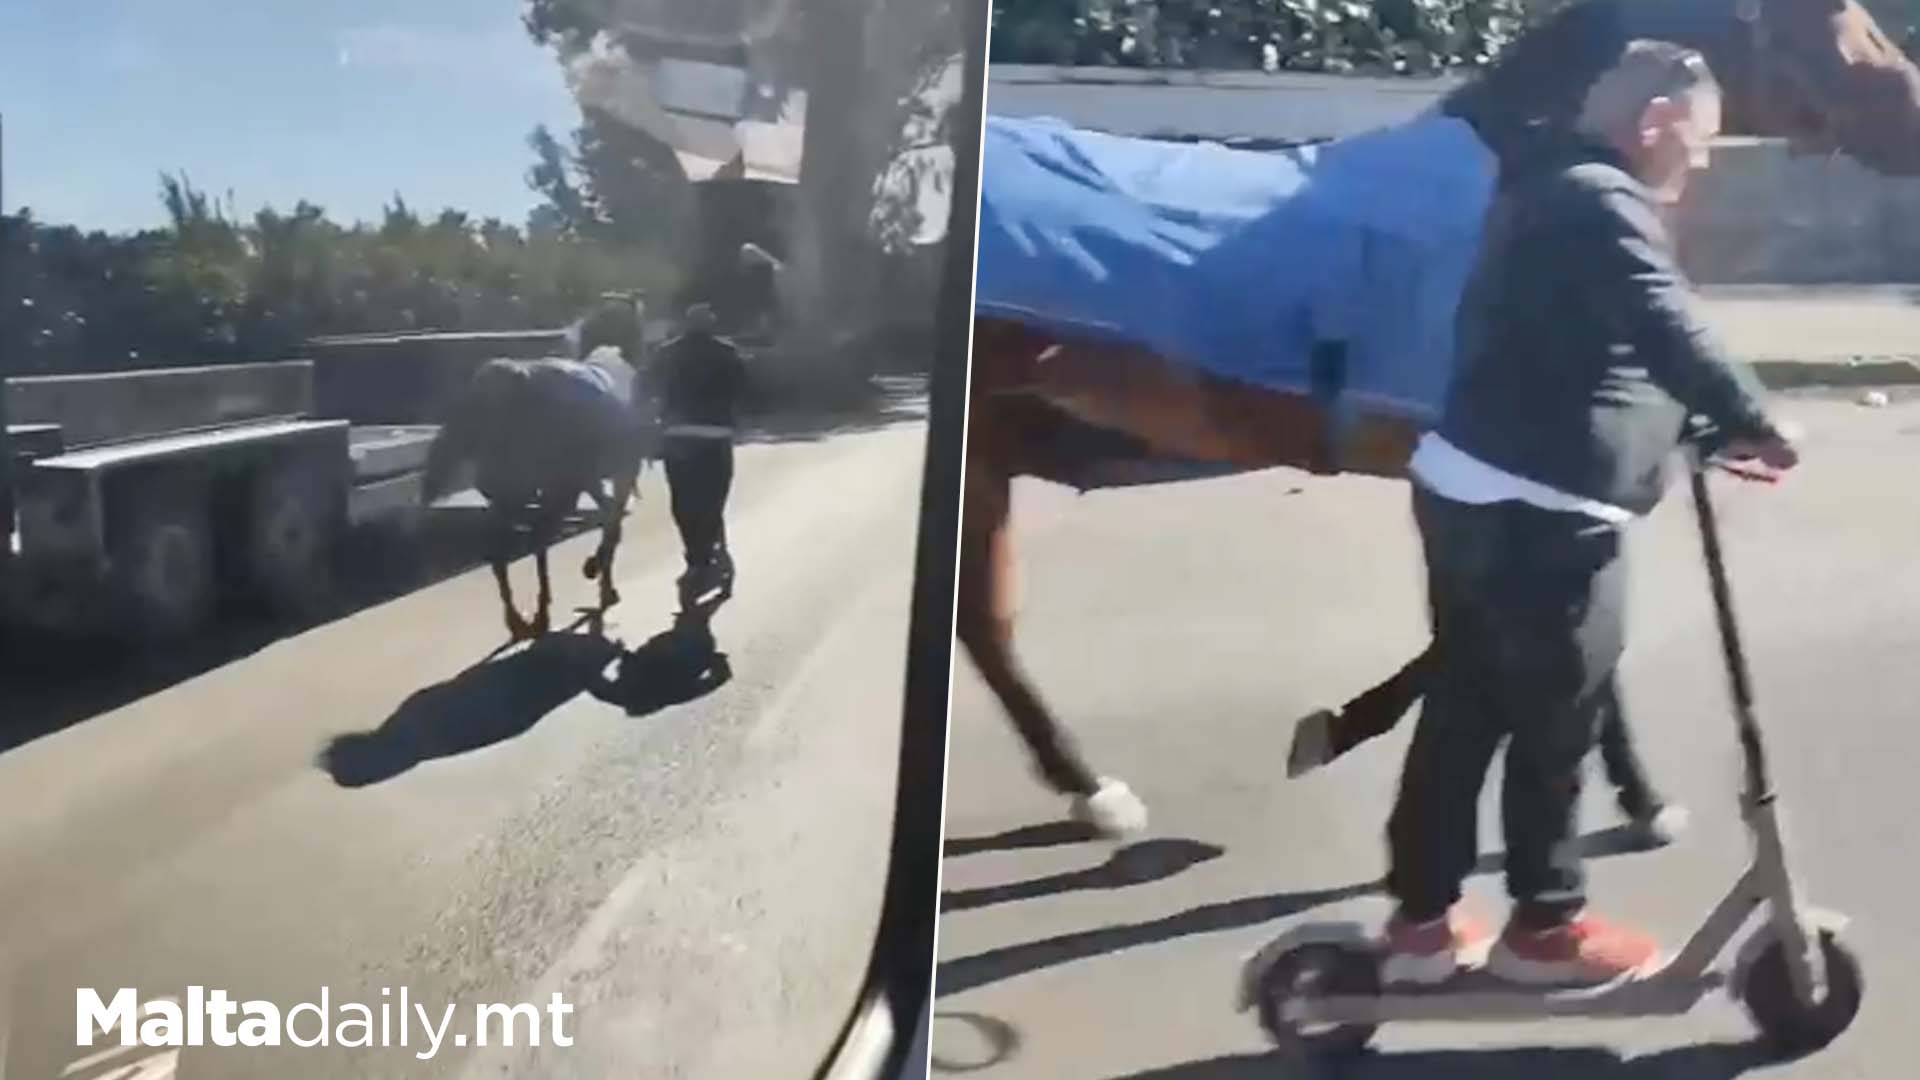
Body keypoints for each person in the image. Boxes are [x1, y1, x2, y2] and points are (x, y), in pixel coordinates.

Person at [1381, 41, 1800, 989]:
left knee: (1468, 707)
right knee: (1554, 721)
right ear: (1654, 125)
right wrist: (1756, 419)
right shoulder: (1603, 199)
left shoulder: (1554, 184)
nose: (1697, 167)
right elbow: (1664, 322)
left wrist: (1692, 433)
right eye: (1697, 146)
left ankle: (1420, 926)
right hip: (1543, 507)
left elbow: (1586, 345)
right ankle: (1544, 928)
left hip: (1481, 484)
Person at [645, 303, 750, 601]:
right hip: (715, 437)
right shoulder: (726, 352)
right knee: (713, 500)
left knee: (683, 500)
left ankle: (695, 558)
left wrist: (654, 414)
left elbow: (646, 384)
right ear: (710, 325)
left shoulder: (666, 353)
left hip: (677, 437)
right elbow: (745, 389)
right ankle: (706, 554)